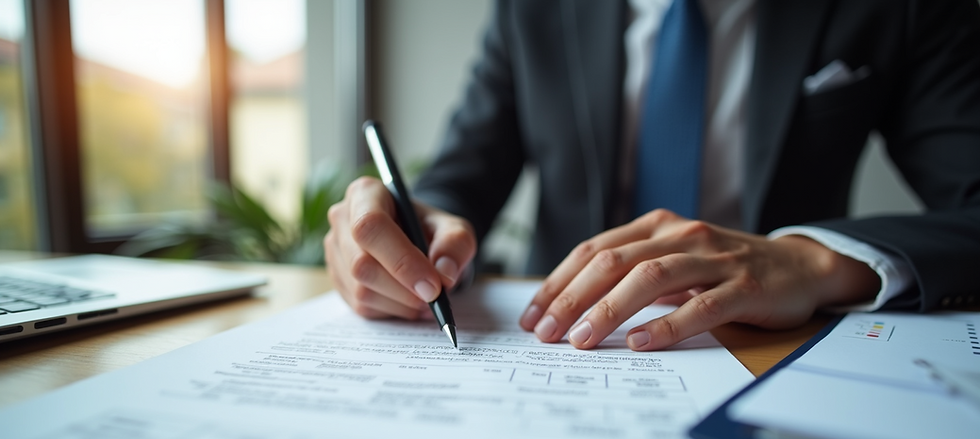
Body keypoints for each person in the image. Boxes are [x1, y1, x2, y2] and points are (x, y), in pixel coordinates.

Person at [325, 0, 980, 351]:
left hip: (776, 345)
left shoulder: (905, 8)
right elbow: (455, 184)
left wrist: (815, 262)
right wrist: (411, 233)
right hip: (557, 342)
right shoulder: (532, 10)